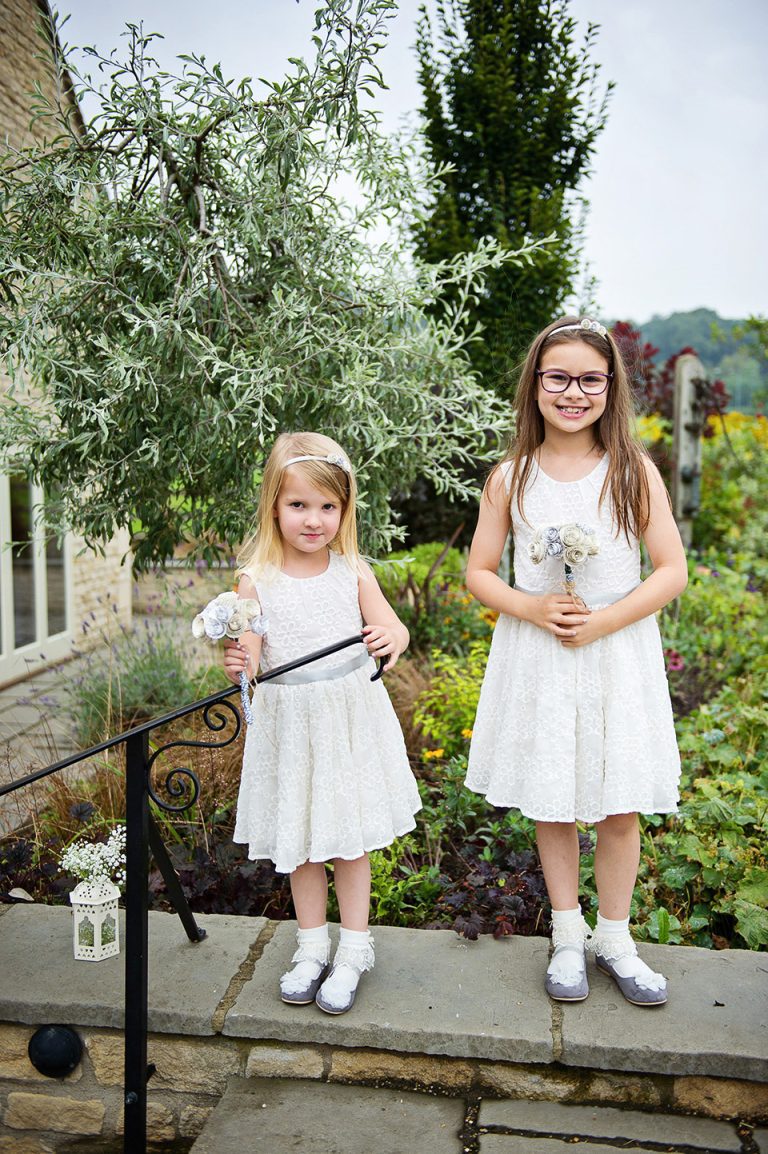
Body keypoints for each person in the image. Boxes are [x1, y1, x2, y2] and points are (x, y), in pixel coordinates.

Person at [464, 316, 687, 1007]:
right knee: (554, 797)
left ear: (610, 387)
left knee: (620, 805)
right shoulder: (511, 477)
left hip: (616, 655)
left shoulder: (632, 471)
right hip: (542, 657)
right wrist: (532, 607)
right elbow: (479, 571)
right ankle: (567, 934)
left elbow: (671, 569)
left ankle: (614, 938)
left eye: (591, 379)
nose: (573, 392)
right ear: (535, 385)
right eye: (558, 377)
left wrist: (604, 622)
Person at [223, 431, 421, 1015]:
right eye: (298, 505)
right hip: (291, 725)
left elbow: (395, 628)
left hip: (347, 720)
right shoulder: (256, 580)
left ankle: (354, 949)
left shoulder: (351, 570)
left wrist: (392, 638)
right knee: (303, 841)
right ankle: (311, 947)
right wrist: (237, 660)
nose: (314, 520)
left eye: (328, 506)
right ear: (274, 505)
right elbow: (250, 656)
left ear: (344, 509)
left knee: (348, 839)